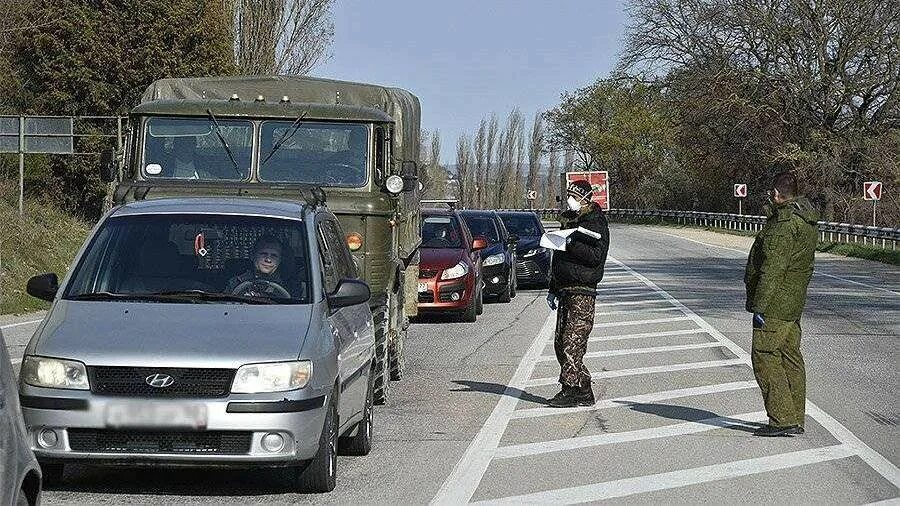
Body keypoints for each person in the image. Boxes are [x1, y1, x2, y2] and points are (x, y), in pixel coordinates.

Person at [744, 171, 819, 437]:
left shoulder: (785, 224)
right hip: (793, 301)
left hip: (776, 302)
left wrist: (759, 306)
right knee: (790, 357)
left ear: (777, 194)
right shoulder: (806, 220)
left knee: (764, 356)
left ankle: (781, 418)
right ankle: (795, 417)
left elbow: (772, 269)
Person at [545, 180, 610, 408]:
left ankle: (570, 390)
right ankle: (584, 390)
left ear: (586, 198)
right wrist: (553, 288)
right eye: (568, 195)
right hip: (565, 290)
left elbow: (595, 257)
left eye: (574, 195)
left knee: (571, 343)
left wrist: (571, 242)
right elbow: (559, 258)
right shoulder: (569, 221)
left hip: (583, 291)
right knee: (560, 343)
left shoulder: (595, 223)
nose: (570, 199)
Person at [226, 235, 290, 297]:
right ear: (253, 256)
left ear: (280, 260)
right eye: (263, 254)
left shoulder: (288, 285)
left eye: (274, 256)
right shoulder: (236, 282)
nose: (268, 260)